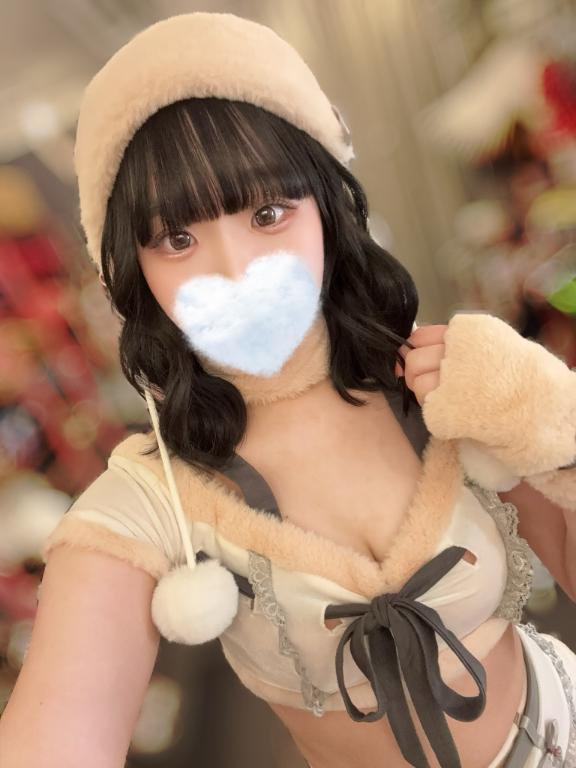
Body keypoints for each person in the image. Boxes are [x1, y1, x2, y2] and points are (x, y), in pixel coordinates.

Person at [1, 12, 575, 768]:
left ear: (328, 208)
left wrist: (555, 424)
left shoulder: (448, 379)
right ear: (131, 269)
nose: (234, 269)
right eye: (177, 238)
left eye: (268, 213)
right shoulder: (151, 498)